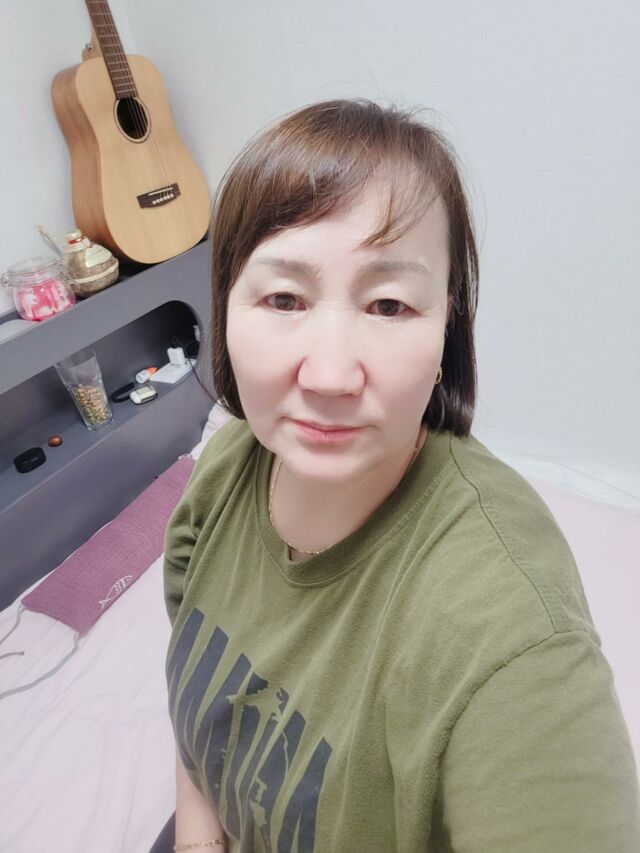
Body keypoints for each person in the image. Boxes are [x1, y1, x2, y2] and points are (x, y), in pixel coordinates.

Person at [162, 98, 640, 852]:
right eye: (283, 297)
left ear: (446, 322)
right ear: (226, 308)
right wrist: (196, 839)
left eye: (388, 305)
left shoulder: (508, 630)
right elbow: (203, 720)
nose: (329, 375)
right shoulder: (224, 468)